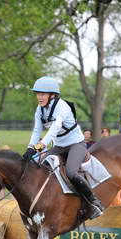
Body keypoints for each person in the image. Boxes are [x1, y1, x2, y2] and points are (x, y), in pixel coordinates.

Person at [22, 76, 103, 219]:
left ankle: (94, 202)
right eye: (38, 94)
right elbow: (36, 131)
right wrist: (30, 148)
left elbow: (54, 130)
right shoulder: (39, 110)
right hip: (59, 146)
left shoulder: (62, 107)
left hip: (76, 145)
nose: (39, 97)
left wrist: (38, 147)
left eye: (42, 94)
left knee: (71, 172)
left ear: (52, 95)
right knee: (38, 166)